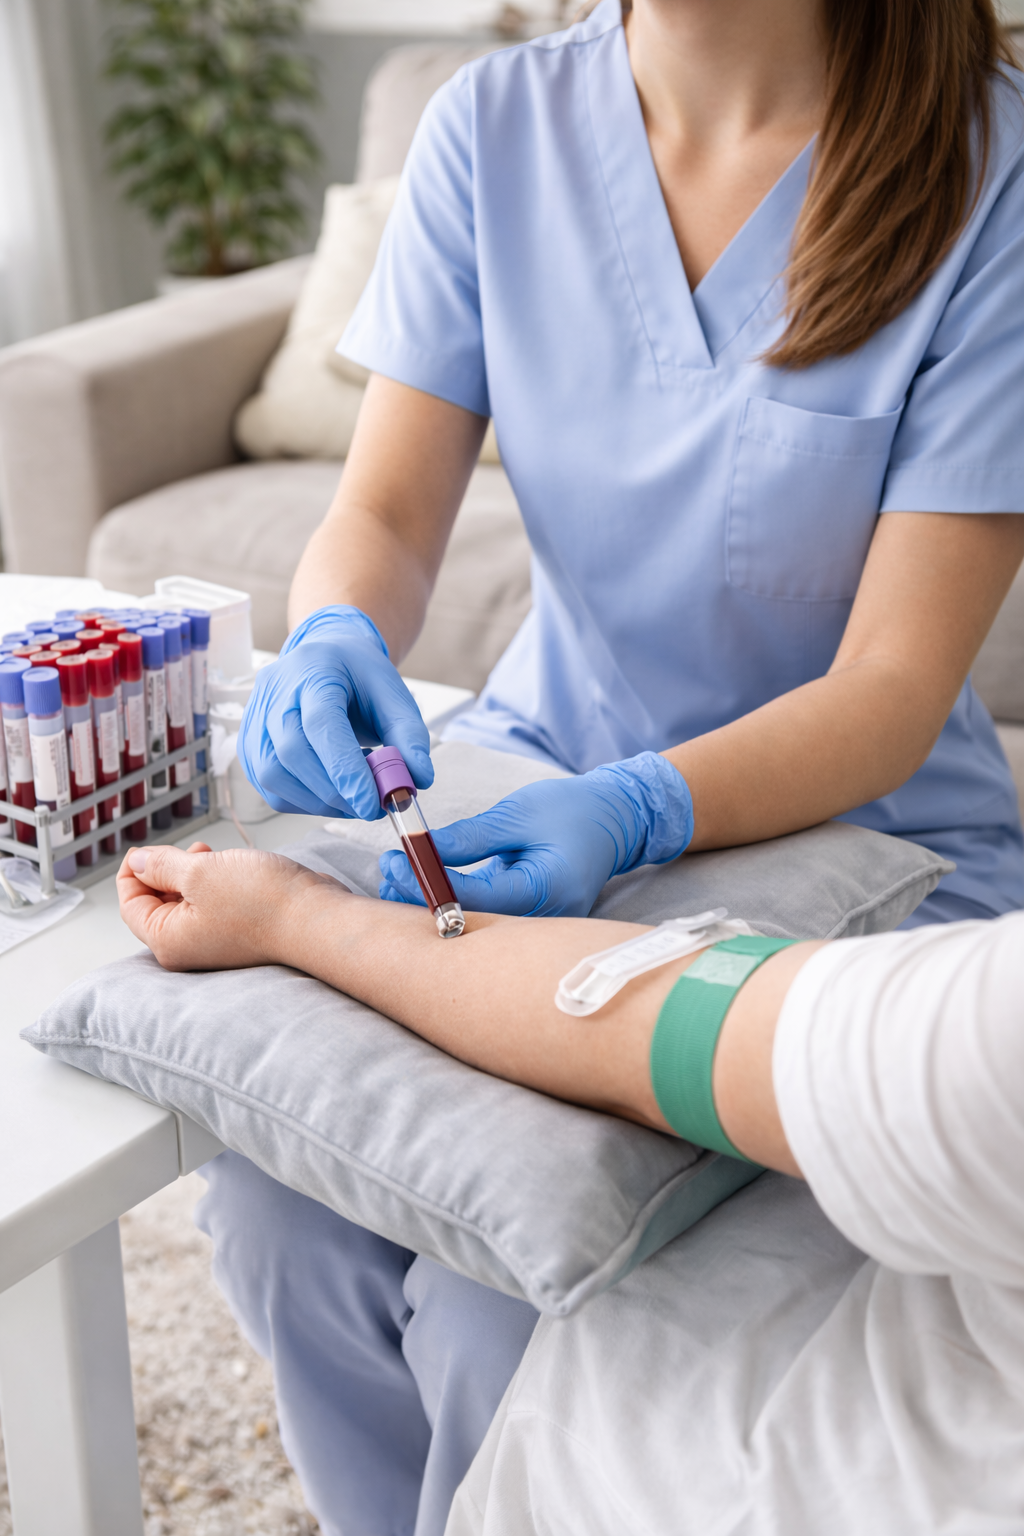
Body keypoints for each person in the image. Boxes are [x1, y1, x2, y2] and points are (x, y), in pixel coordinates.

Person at [212, 0, 1024, 1529]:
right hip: (526, 784)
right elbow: (382, 517)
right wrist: (330, 633)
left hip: (863, 847)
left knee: (499, 1306)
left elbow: (895, 686)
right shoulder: (493, 127)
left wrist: (642, 806)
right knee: (274, 1204)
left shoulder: (993, 172)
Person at [119, 841, 1024, 1533]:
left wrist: (295, 913)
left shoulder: (983, 1042)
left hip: (753, 1458)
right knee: (272, 1208)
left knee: (474, 1302)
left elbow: (658, 1025)